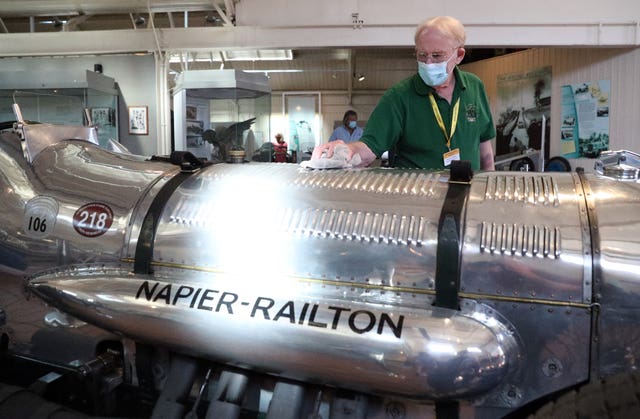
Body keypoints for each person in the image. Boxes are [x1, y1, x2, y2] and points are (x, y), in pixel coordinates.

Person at [311, 16, 495, 171]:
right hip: (416, 200)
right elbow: (369, 148)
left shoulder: (474, 87)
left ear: (459, 55)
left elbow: (484, 147)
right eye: (422, 55)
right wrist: (347, 151)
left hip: (466, 195)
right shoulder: (399, 97)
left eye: (437, 56)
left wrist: (489, 193)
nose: (428, 63)